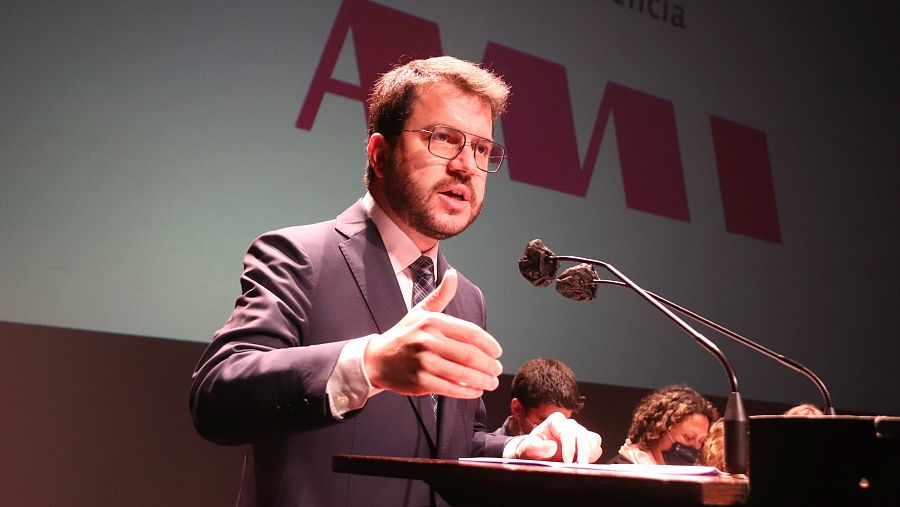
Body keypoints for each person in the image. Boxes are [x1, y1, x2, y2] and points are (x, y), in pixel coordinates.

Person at [190, 56, 601, 506]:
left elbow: (452, 449)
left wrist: (522, 448)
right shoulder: (301, 256)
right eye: (444, 139)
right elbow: (217, 395)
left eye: (482, 149)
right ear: (380, 154)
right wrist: (368, 364)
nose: (467, 166)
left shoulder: (466, 298)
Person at [607, 384, 718, 466]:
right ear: (658, 430)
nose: (695, 447)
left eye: (701, 441)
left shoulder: (688, 481)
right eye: (689, 437)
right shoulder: (617, 476)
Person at [495, 358, 585, 436]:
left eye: (563, 422)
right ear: (517, 409)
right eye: (543, 422)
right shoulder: (486, 454)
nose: (555, 432)